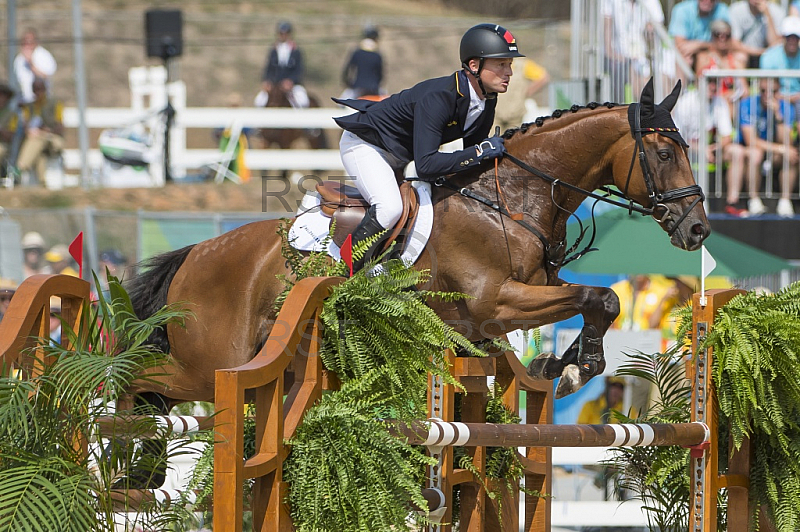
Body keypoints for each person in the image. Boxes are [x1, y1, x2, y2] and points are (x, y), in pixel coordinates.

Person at [332, 23, 523, 271]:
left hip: (399, 154)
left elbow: (473, 155)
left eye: (509, 64)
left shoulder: (486, 99)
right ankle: (342, 272)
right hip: (366, 145)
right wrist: (478, 152)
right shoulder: (439, 97)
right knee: (390, 209)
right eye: (501, 64)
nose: (509, 72)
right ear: (474, 66)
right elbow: (427, 165)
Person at [672, 78, 749, 217]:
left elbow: (727, 136)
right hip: (687, 149)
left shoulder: (719, 101)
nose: (713, 86)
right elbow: (677, 137)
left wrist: (713, 148)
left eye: (716, 82)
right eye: (710, 82)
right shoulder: (686, 102)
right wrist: (701, 149)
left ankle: (732, 203)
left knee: (737, 152)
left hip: (711, 150)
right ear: (698, 83)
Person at [737, 77, 798, 217]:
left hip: (774, 153)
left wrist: (778, 115)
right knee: (755, 153)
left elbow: (787, 141)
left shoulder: (786, 107)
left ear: (779, 91)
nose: (767, 95)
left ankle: (785, 202)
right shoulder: (748, 104)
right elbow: (750, 140)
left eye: (772, 91)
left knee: (791, 154)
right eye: (763, 91)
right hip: (753, 150)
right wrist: (781, 149)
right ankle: (754, 201)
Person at [602, 0, 665, 103]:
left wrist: (649, 31)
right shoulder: (611, 2)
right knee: (632, 70)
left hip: (646, 58)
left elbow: (656, 34)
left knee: (648, 76)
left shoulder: (652, 2)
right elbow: (608, 44)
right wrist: (616, 56)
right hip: (620, 59)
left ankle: (645, 110)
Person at [12, 77, 64, 185]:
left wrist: (46, 130)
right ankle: (42, 183)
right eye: (35, 89)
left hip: (53, 139)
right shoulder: (29, 106)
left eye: (40, 89)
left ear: (45, 89)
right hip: (36, 140)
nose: (38, 92)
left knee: (37, 138)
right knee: (39, 150)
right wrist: (31, 131)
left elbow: (60, 127)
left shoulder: (55, 103)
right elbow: (26, 126)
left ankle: (20, 167)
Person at [695, 19, 748, 113]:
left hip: (730, 104)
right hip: (709, 103)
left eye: (726, 35)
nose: (722, 38)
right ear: (712, 36)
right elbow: (698, 85)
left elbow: (745, 91)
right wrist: (719, 96)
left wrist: (733, 94)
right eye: (717, 34)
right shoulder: (703, 58)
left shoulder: (736, 62)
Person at [257, 21, 309, 109]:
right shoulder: (273, 51)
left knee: (303, 101)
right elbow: (269, 68)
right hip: (275, 85)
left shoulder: (296, 51)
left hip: (292, 86)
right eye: (281, 33)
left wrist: (291, 81)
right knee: (259, 101)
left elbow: (299, 70)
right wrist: (267, 81)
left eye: (286, 33)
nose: (283, 35)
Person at [492, 57, 550, 132]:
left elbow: (543, 77)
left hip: (515, 115)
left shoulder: (523, 65)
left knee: (512, 141)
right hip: (495, 114)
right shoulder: (493, 62)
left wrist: (526, 92)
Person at [668, 0, 731, 64]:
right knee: (684, 60)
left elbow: (725, 44)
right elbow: (681, 46)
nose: (707, 1)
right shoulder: (682, 10)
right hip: (690, 55)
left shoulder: (723, 10)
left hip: (712, 53)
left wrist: (700, 45)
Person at [759, 17, 800, 113]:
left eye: (796, 37)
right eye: (789, 37)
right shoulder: (769, 57)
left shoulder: (768, 56)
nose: (792, 40)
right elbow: (765, 85)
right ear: (782, 37)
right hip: (775, 99)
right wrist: (781, 97)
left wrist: (793, 98)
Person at [729, 0, 785, 67]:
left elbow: (775, 44)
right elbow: (734, 44)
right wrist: (760, 52)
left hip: (769, 54)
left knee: (776, 58)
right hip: (746, 53)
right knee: (740, 57)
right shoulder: (735, 10)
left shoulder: (778, 11)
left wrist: (767, 15)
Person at [13, 29, 57, 105]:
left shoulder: (43, 55)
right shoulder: (19, 59)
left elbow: (45, 76)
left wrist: (31, 64)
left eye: (30, 42)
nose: (27, 44)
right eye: (24, 42)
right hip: (25, 101)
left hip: (41, 102)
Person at [340, 25, 384, 100]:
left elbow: (347, 70)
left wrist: (349, 84)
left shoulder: (357, 53)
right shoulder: (377, 55)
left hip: (357, 87)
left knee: (341, 105)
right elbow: (380, 75)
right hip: (374, 89)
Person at [0, 84, 16, 169]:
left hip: (3, 144)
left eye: (3, 95)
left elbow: (10, 136)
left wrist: (1, 129)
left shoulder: (12, 115)